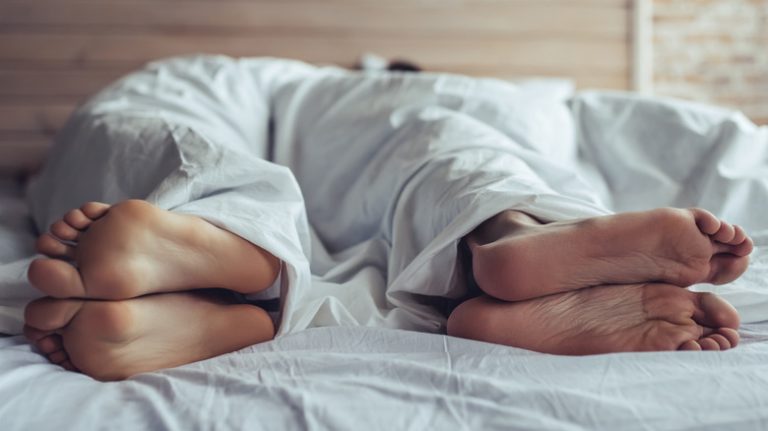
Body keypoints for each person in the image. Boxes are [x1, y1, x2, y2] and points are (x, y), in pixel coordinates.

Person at [20, 57, 753, 381]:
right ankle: (508, 234)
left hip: (284, 111)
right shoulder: (461, 96)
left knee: (146, 131)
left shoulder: (291, 81)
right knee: (454, 145)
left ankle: (234, 251)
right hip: (425, 123)